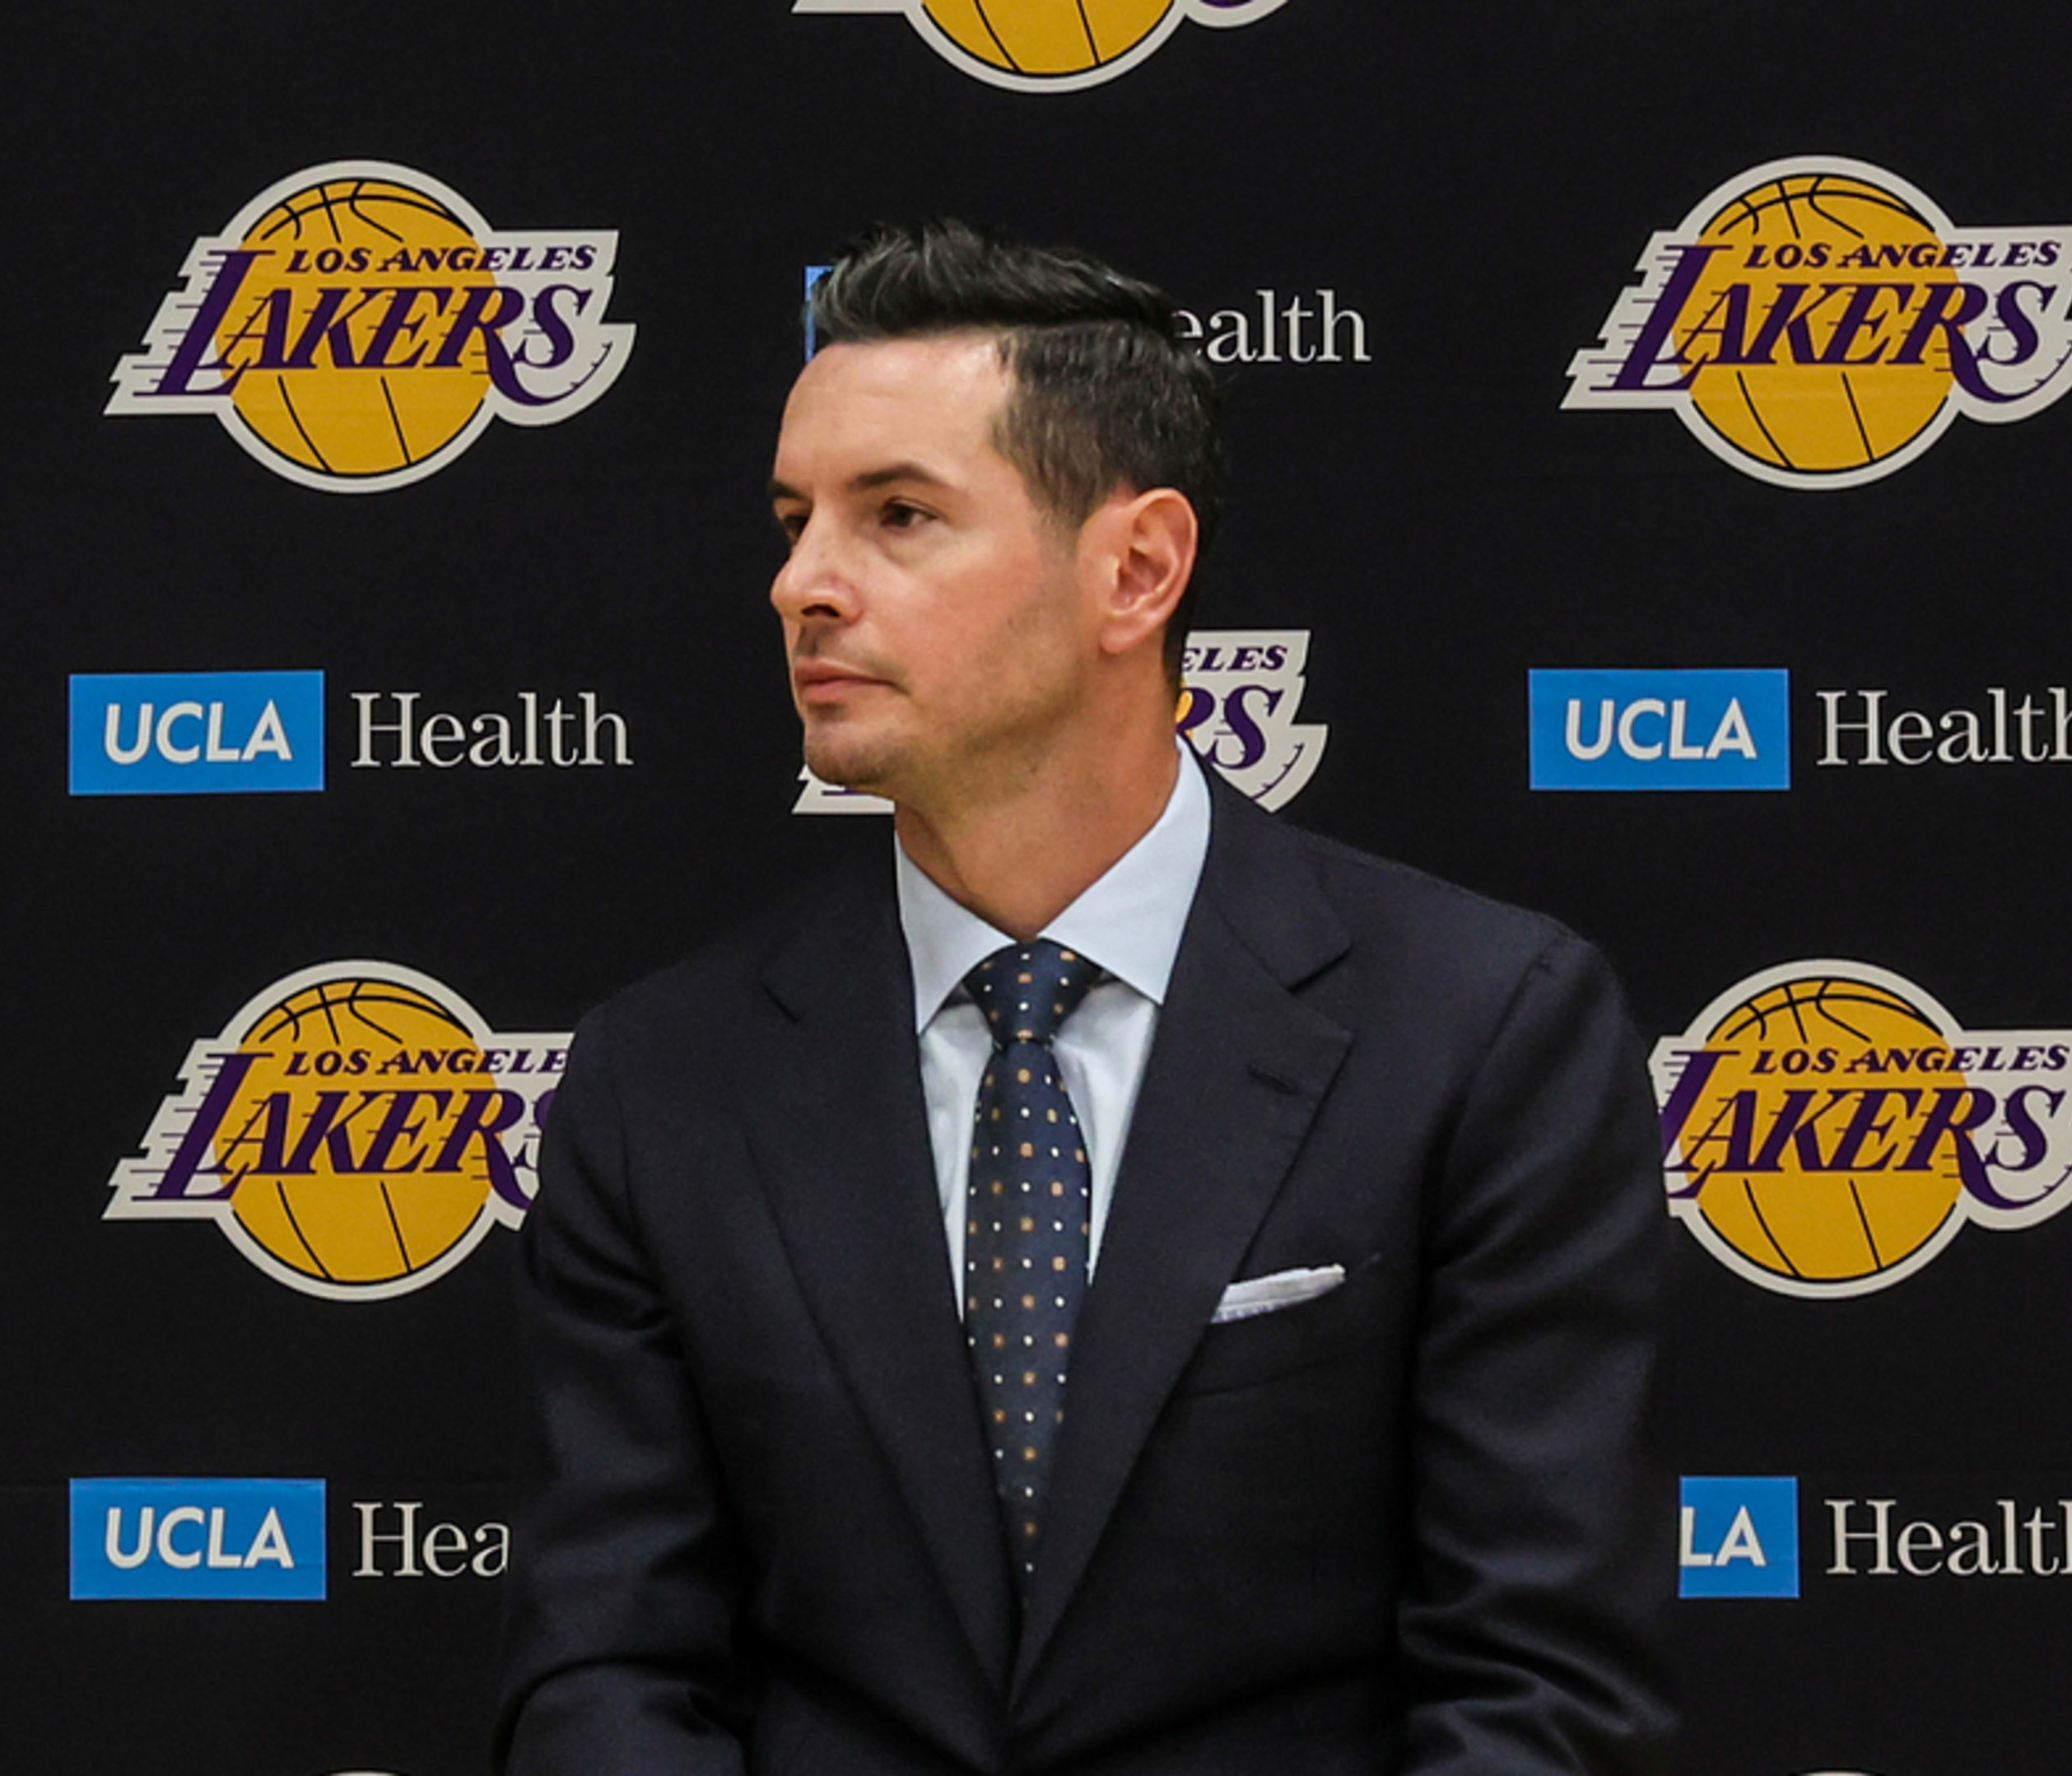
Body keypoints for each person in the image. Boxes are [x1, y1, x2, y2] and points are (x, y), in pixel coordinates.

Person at [495, 220, 1674, 1775]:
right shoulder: (662, 1083)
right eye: (793, 521)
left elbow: (1544, 1685)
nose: (803, 585)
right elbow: (608, 1676)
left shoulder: (1483, 1027)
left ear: (1137, 568)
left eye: (899, 514)